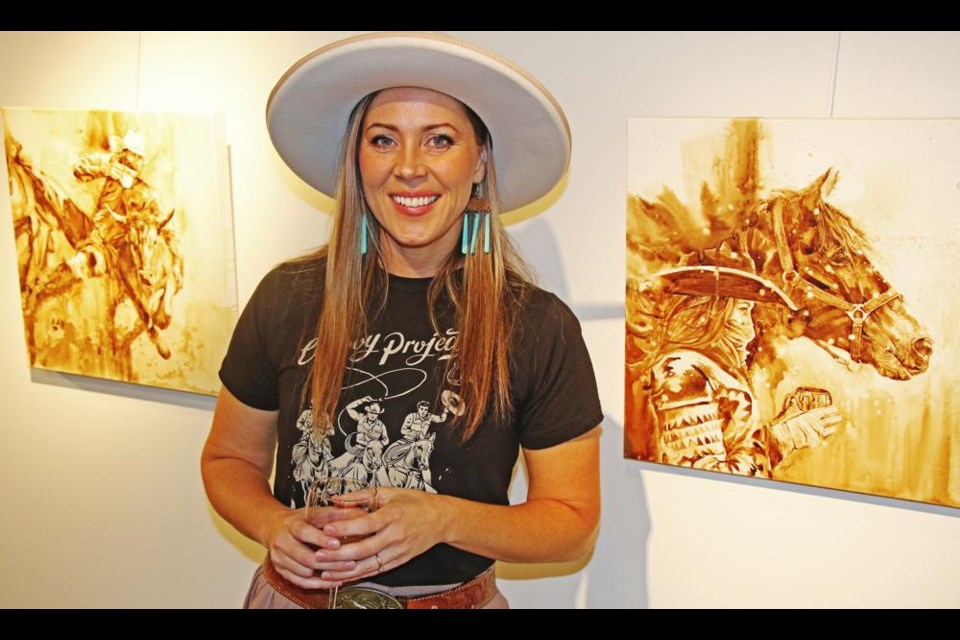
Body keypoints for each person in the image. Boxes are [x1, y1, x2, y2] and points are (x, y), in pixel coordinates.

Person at [200, 32, 603, 609]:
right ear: (356, 160)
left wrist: (439, 519)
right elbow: (228, 459)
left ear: (480, 162)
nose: (409, 168)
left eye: (440, 140)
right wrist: (271, 524)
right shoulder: (287, 296)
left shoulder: (536, 325)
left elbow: (572, 523)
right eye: (383, 139)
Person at [642, 271, 842, 477]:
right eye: (743, 310)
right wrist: (786, 436)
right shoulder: (684, 372)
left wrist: (784, 425)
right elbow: (706, 476)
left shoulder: (701, 369)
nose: (750, 328)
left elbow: (735, 445)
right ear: (714, 312)